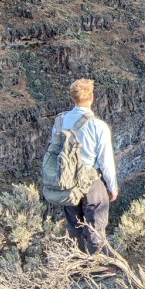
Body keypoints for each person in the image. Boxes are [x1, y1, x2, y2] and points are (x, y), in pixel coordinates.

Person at [50, 78, 118, 253]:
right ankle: (100, 268)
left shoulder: (59, 121)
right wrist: (112, 187)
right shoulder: (98, 126)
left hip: (66, 181)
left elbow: (55, 150)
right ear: (91, 97)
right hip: (91, 182)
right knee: (95, 225)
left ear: (73, 98)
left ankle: (77, 267)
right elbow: (106, 160)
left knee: (74, 227)